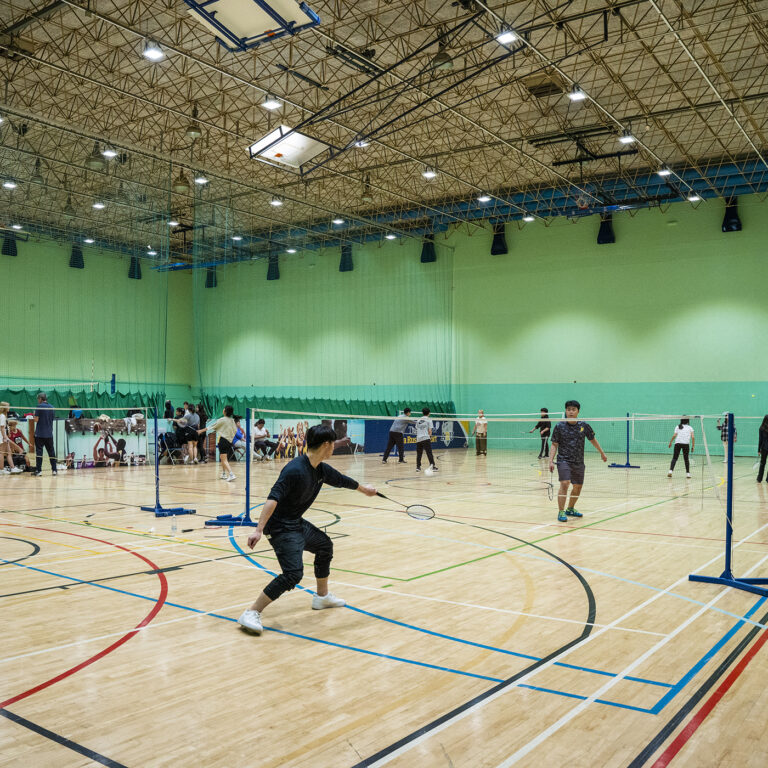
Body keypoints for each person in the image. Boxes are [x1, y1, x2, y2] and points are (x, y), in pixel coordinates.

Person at [238, 424, 377, 636]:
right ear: (326, 445)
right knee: (293, 574)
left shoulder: (320, 468)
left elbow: (342, 480)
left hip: (295, 522)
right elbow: (272, 498)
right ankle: (251, 612)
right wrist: (258, 529)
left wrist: (364, 489)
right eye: (334, 444)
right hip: (280, 527)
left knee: (324, 545)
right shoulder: (295, 469)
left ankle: (322, 597)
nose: (335, 448)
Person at [549, 400, 607, 522]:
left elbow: (592, 439)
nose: (570, 412)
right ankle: (561, 511)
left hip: (578, 461)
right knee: (565, 483)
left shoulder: (583, 425)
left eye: (573, 409)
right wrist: (550, 460)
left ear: (578, 411)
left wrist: (601, 452)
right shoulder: (559, 426)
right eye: (568, 409)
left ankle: (570, 508)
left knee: (578, 487)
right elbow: (554, 444)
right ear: (565, 410)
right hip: (564, 460)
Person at [198, 405, 237, 481]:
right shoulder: (232, 420)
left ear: (225, 411)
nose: (223, 410)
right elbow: (234, 431)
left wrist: (200, 431)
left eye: (224, 409)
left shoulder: (222, 419)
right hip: (229, 442)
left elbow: (211, 427)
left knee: (224, 459)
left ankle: (231, 474)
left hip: (223, 441)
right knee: (223, 458)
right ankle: (223, 474)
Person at [32, 393, 57, 476]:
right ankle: (54, 470)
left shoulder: (39, 407)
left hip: (39, 434)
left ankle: (39, 471)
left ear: (40, 399)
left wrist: (33, 415)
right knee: (51, 452)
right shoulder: (52, 407)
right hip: (49, 434)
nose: (38, 401)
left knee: (39, 452)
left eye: (38, 399)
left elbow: (36, 420)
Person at [0, 405, 23, 474]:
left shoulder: (4, 416)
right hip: (2, 437)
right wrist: (4, 437)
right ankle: (1, 469)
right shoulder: (2, 416)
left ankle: (12, 468)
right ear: (5, 408)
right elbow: (2, 427)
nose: (9, 408)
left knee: (9, 452)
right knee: (2, 452)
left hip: (4, 436)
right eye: (8, 406)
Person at [415, 407, 438, 473]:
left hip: (418, 439)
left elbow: (417, 428)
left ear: (422, 413)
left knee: (419, 454)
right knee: (429, 453)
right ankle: (433, 466)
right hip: (426, 438)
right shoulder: (429, 420)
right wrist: (429, 436)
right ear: (429, 413)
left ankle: (418, 467)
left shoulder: (418, 420)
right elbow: (430, 431)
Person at [757, 416, 768, 483]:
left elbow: (760, 440)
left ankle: (759, 478)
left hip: (764, 448)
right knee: (762, 463)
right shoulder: (761, 429)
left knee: (762, 463)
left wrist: (758, 450)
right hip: (764, 448)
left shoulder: (761, 428)